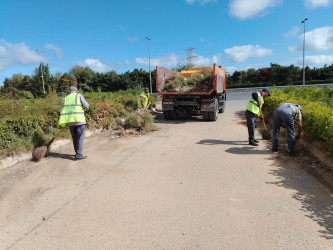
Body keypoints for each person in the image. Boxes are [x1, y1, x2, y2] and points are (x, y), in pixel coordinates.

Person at [58, 86, 89, 160]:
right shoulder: (79, 96)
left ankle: (77, 153)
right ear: (77, 91)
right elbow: (86, 106)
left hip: (70, 122)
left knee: (74, 138)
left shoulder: (65, 98)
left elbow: (60, 109)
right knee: (80, 138)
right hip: (79, 121)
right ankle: (78, 155)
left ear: (69, 91)